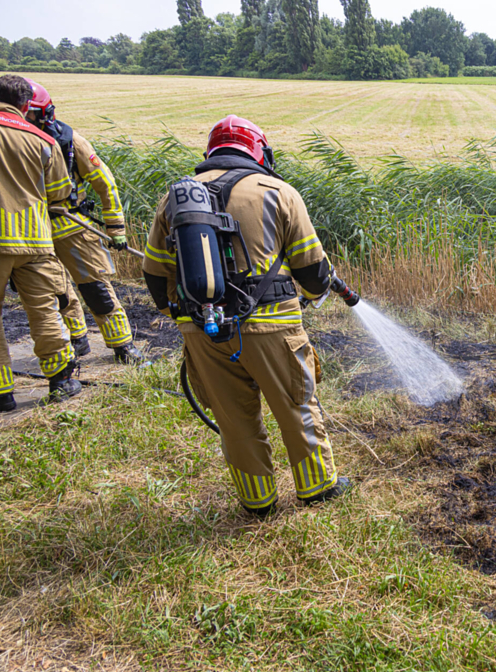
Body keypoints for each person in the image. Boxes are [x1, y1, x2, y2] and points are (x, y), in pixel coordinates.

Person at [143, 115, 350, 515]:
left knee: (234, 418)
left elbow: (154, 275)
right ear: (260, 152)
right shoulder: (278, 191)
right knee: (296, 406)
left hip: (204, 332)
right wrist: (310, 295)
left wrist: (187, 318)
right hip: (274, 328)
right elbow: (312, 272)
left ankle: (257, 501)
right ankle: (318, 488)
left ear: (210, 153)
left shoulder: (174, 198)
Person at [0, 75, 82, 411]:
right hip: (36, 242)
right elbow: (60, 192)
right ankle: (62, 381)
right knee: (44, 310)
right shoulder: (42, 139)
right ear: (26, 107)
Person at [25, 79, 143, 364]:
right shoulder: (14, 142)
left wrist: (115, 228)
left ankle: (122, 346)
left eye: (28, 114)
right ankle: (77, 340)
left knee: (96, 288)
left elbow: (105, 183)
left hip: (72, 228)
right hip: (32, 232)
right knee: (56, 291)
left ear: (45, 113)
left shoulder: (69, 140)